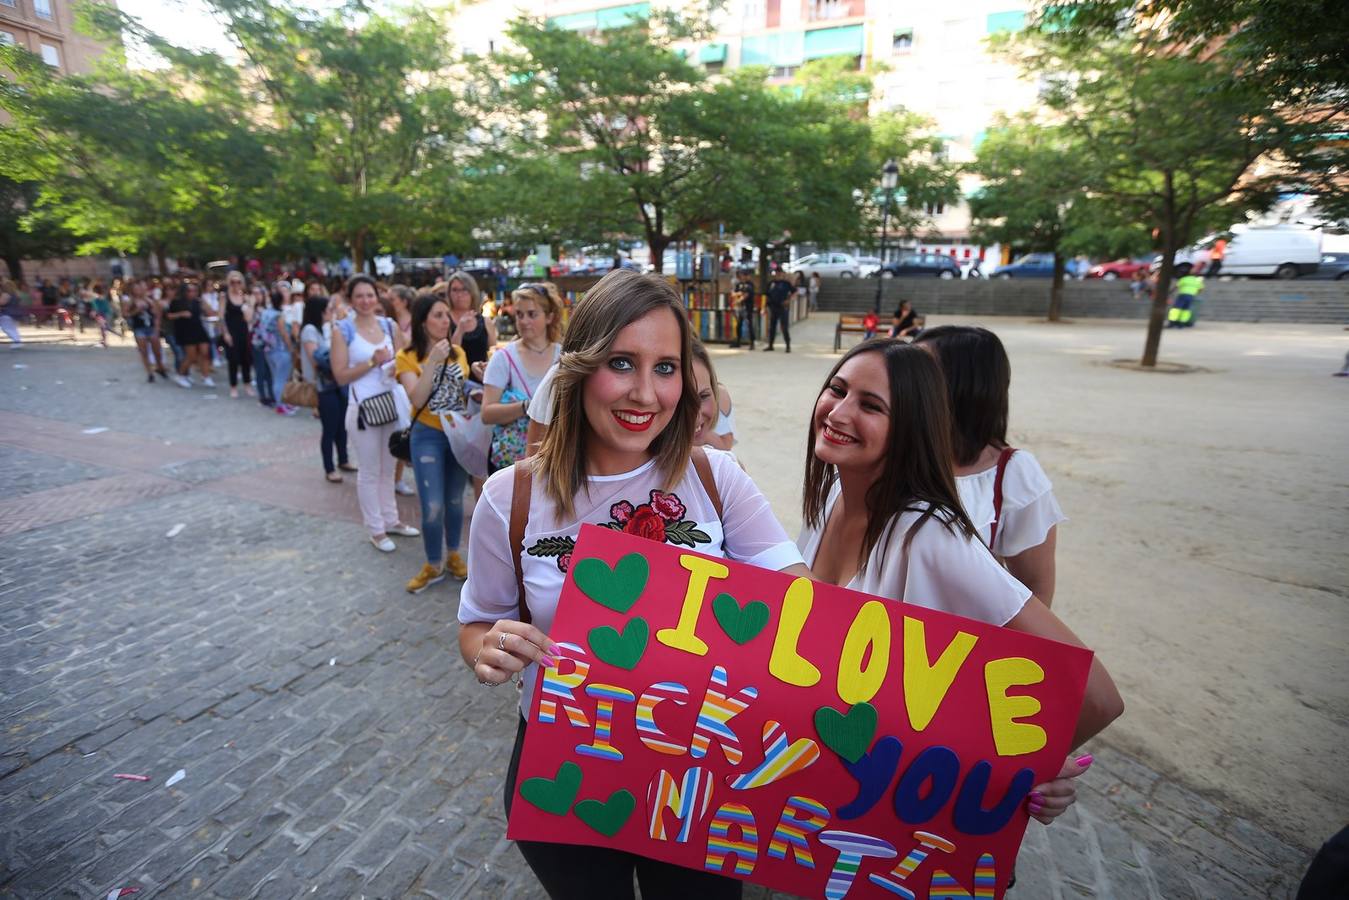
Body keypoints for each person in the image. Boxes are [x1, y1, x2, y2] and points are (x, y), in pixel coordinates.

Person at [457, 268, 809, 899]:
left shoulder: (717, 478)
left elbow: (809, 612)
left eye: (666, 368)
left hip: (700, 771)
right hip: (564, 767)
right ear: (579, 367)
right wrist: (486, 649)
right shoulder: (511, 497)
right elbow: (477, 620)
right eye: (622, 362)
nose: (646, 393)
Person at [796, 339, 1123, 825]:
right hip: (833, 795)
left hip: (901, 814)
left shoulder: (927, 535)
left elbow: (1096, 695)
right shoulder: (830, 502)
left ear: (911, 428)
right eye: (836, 390)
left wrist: (1022, 770)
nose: (838, 413)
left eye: (871, 405)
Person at [916, 325, 1065, 605]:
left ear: (963, 388)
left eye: (922, 374)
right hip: (872, 635)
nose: (903, 382)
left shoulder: (1013, 474)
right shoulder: (883, 450)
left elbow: (1035, 588)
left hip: (955, 645)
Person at [330, 274, 418, 552]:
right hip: (364, 409)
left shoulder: (388, 326)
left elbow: (406, 360)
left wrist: (394, 367)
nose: (366, 301)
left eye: (370, 295)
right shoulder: (342, 330)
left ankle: (391, 519)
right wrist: (372, 361)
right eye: (359, 296)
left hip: (391, 403)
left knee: (389, 466)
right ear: (351, 299)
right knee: (369, 470)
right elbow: (340, 375)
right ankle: (375, 528)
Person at [396, 293, 473, 592]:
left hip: (456, 433)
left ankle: (453, 555)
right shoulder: (407, 356)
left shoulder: (458, 352)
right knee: (431, 506)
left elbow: (459, 392)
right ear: (422, 320)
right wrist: (433, 362)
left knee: (455, 501)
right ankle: (432, 562)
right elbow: (416, 398)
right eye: (438, 315)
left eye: (446, 315)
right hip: (426, 435)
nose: (445, 321)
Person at [481, 283, 563, 473]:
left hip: (555, 459)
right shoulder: (504, 358)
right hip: (512, 464)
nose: (524, 321)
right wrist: (528, 406)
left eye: (532, 314)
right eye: (519, 314)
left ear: (549, 316)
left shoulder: (564, 356)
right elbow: (487, 413)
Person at [301, 297, 353, 482]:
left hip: (336, 383)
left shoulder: (325, 329)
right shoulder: (309, 330)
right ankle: (329, 468)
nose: (330, 313)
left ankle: (343, 459)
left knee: (341, 425)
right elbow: (315, 359)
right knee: (329, 428)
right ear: (320, 311)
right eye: (328, 309)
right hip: (323, 386)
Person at [165, 282, 214, 388]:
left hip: (199, 329)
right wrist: (181, 314)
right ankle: (180, 375)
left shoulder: (198, 302)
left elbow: (210, 312)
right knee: (191, 356)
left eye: (195, 290)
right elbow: (169, 316)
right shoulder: (177, 302)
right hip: (186, 331)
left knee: (205, 353)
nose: (193, 293)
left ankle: (206, 376)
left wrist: (204, 303)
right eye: (189, 290)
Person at [689, 339, 735, 450]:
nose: (696, 414)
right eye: (681, 401)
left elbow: (726, 446)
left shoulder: (721, 465)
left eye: (704, 396)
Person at [257, 286, 297, 414]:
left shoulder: (265, 313)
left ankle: (283, 403)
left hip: (269, 350)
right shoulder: (279, 316)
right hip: (281, 350)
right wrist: (291, 348)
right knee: (281, 379)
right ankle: (281, 405)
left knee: (276, 377)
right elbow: (284, 334)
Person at [447, 271, 497, 369]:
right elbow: (450, 356)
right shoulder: (444, 320)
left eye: (464, 290)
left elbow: (493, 354)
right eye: (455, 290)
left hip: (480, 379)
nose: (459, 295)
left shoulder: (485, 322)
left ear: (472, 292)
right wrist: (460, 330)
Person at [122, 279, 164, 380]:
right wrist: (136, 311)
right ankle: (150, 372)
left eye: (140, 288)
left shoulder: (149, 299)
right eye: (136, 289)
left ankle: (160, 367)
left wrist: (157, 327)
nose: (139, 290)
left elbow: (157, 314)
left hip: (151, 327)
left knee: (157, 351)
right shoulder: (130, 301)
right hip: (139, 328)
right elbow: (125, 314)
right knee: (144, 351)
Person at [249, 284, 277, 407]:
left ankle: (272, 395)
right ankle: (262, 396)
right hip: (257, 343)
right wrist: (251, 304)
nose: (257, 296)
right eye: (254, 293)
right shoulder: (249, 308)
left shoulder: (269, 308)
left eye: (259, 293)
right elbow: (249, 321)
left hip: (270, 344)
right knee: (260, 371)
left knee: (269, 371)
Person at [764, 269, 793, 352]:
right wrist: (766, 306)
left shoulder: (786, 283)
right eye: (777, 273)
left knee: (784, 327)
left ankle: (788, 346)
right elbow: (767, 295)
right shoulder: (771, 283)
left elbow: (794, 292)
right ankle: (770, 345)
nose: (778, 275)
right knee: (772, 327)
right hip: (773, 307)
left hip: (783, 307)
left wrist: (788, 300)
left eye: (780, 273)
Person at [728, 271, 756, 349]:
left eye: (746, 275)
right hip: (740, 308)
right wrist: (736, 295)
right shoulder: (739, 284)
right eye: (743, 275)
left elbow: (746, 295)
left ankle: (752, 342)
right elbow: (734, 293)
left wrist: (738, 299)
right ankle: (738, 341)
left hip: (748, 308)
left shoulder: (750, 285)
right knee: (739, 325)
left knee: (749, 325)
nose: (744, 277)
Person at [0, 278, 21, 345]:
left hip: (6, 313)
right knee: (12, 328)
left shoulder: (6, 294)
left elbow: (1, 303)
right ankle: (17, 341)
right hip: (14, 313)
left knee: (6, 328)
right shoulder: (16, 294)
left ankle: (16, 341)